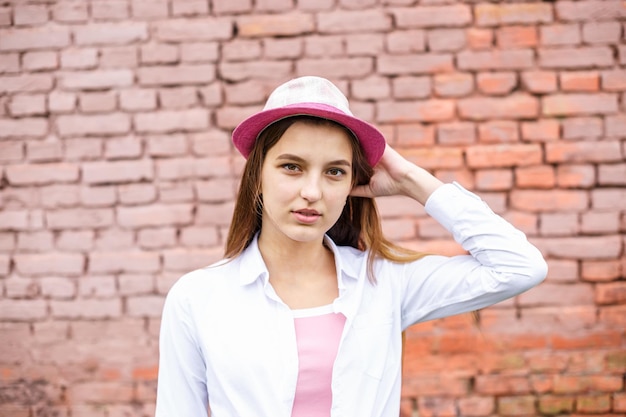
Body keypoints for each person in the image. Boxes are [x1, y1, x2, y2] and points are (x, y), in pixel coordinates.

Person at [155, 76, 547, 417]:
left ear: (352, 185)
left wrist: (412, 180)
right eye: (291, 166)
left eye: (334, 172)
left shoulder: (384, 283)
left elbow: (519, 268)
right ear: (257, 175)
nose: (312, 192)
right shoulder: (197, 298)